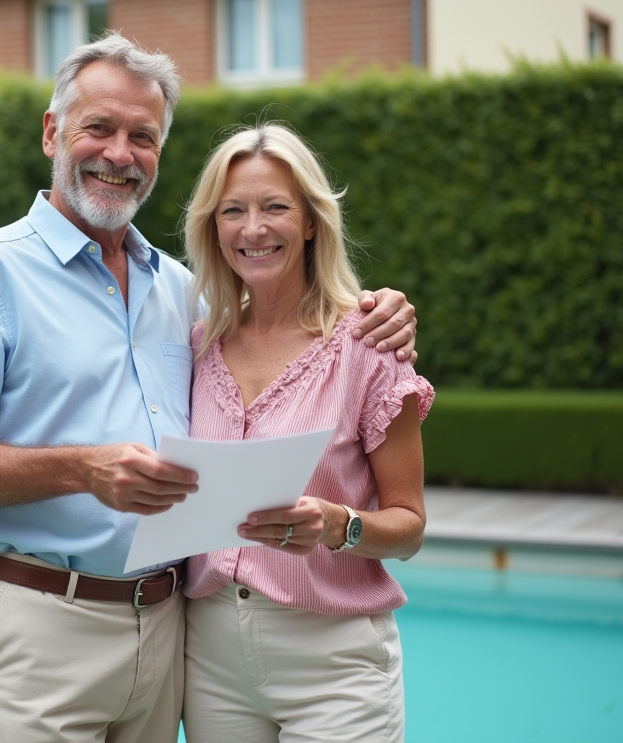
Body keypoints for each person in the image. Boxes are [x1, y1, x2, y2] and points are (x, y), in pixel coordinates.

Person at [0, 35, 418, 743]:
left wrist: (382, 309)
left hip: (172, 630)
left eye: (142, 136)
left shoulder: (182, 296)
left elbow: (292, 324)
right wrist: (83, 468)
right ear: (52, 132)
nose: (120, 153)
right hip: (43, 625)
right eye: (99, 128)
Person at [180, 123, 434, 743]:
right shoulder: (196, 346)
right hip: (210, 661)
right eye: (232, 211)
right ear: (213, 227)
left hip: (334, 666)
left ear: (313, 221)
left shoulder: (368, 345)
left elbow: (409, 528)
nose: (253, 229)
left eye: (275, 208)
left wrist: (337, 524)